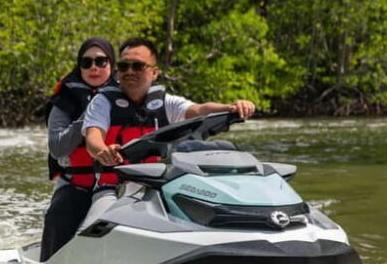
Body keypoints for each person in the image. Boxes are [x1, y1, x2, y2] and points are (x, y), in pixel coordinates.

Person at [80, 37, 256, 227]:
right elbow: (93, 138)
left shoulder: (167, 103)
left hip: (160, 186)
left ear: (154, 72)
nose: (129, 71)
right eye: (124, 66)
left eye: (137, 66)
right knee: (91, 227)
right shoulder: (102, 102)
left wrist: (231, 108)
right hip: (113, 187)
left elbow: (199, 110)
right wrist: (102, 151)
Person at [40, 37, 116, 261]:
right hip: (76, 186)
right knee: (60, 212)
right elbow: (57, 148)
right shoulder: (65, 100)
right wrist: (90, 117)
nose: (94, 67)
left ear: (111, 65)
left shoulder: (128, 96)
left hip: (119, 184)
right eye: (87, 62)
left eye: (101, 61)